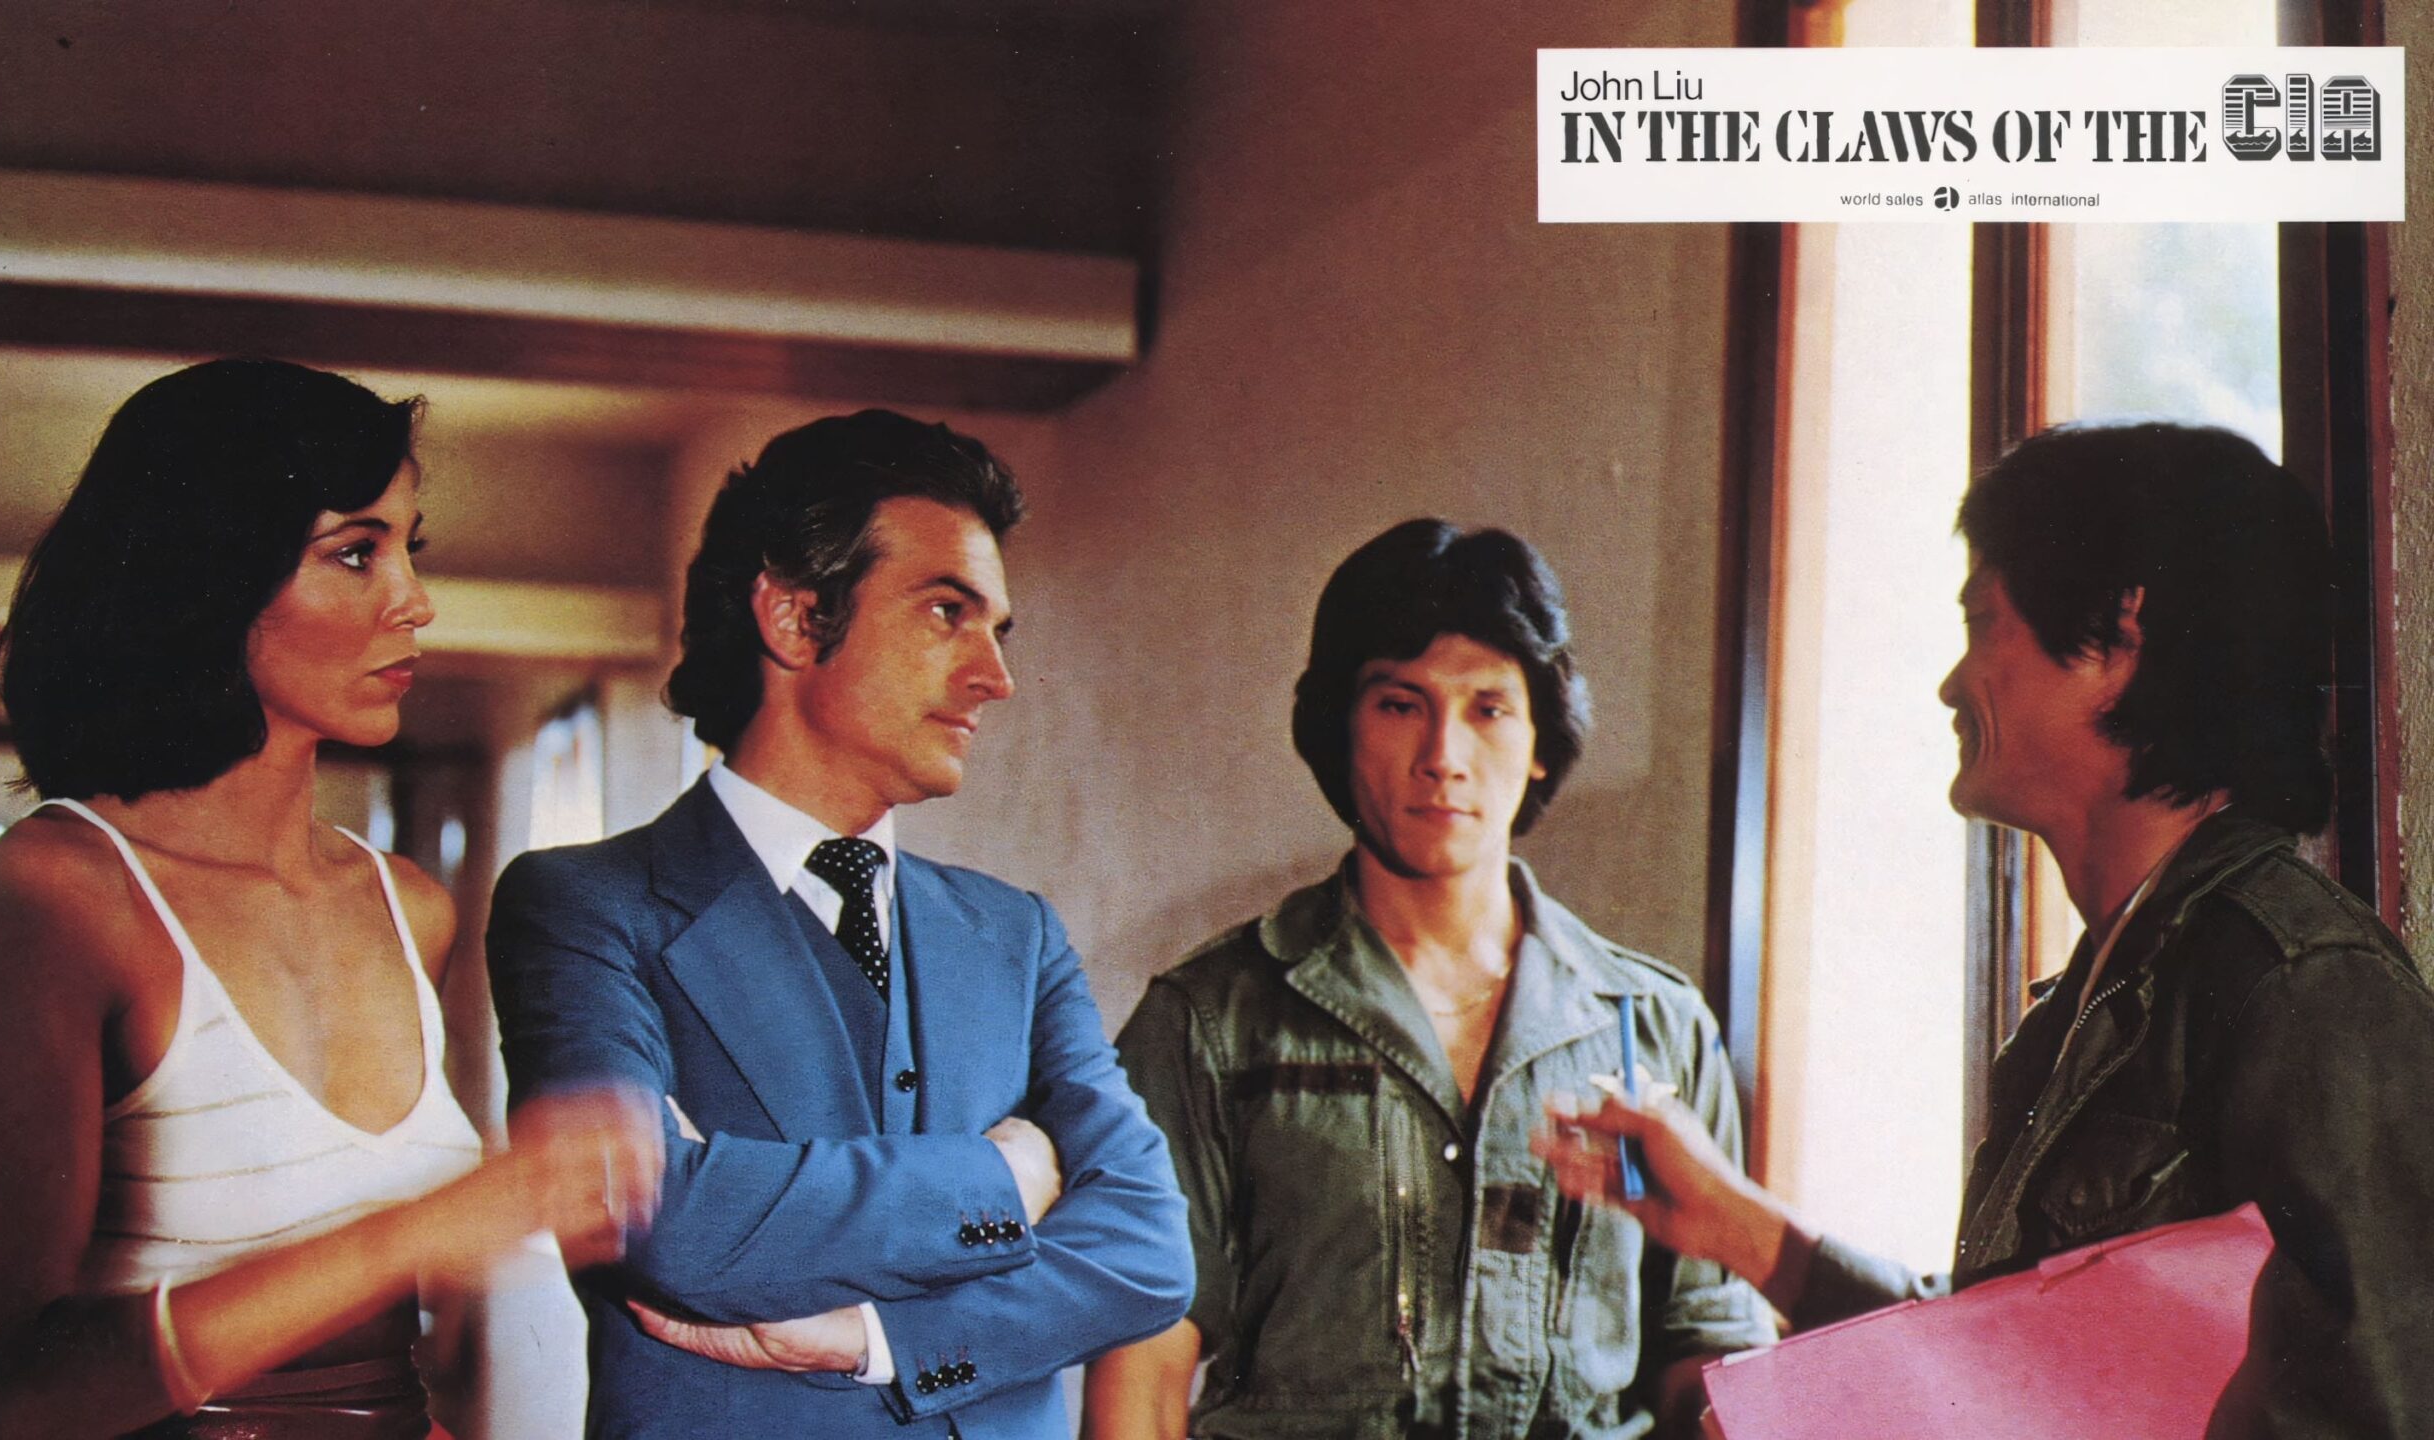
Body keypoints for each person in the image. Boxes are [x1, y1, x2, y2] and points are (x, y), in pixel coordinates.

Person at [1535, 423, 2434, 1438]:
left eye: (1981, 623)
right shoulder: (2094, 995)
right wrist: (1739, 1229)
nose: (1952, 684)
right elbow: (2011, 1367)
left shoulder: (2304, 985)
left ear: (2118, 632)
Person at [0, 358, 661, 1440]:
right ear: (209, 574)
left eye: (408, 550)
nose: (415, 602)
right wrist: (422, 1229)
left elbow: (374, 1374)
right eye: (355, 553)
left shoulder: (410, 908)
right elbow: (20, 1398)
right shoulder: (60, 890)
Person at [486, 408, 1193, 1437]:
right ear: (792, 617)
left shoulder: (1017, 935)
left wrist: (877, 1339)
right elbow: (649, 1219)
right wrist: (1008, 1176)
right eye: (947, 612)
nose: (996, 677)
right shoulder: (586, 905)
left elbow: (1150, 1255)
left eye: (997, 630)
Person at [1082, 520, 1773, 1440]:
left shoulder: (1653, 1025)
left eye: (1488, 709)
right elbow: (1144, 1365)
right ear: (1341, 727)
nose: (1443, 755)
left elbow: (1710, 1342)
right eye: (1400, 705)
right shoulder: (1208, 1022)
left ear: (1540, 740)